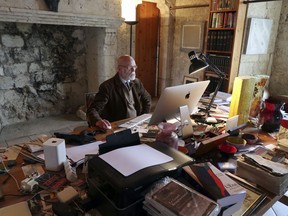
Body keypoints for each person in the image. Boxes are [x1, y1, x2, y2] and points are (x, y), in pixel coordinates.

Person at [86, 55, 151, 129]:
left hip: (136, 125)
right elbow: (93, 109)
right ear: (119, 69)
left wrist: (142, 117)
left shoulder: (137, 82)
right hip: (118, 126)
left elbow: (147, 99)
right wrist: (98, 121)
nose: (133, 70)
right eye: (130, 67)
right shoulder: (107, 87)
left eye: (135, 67)